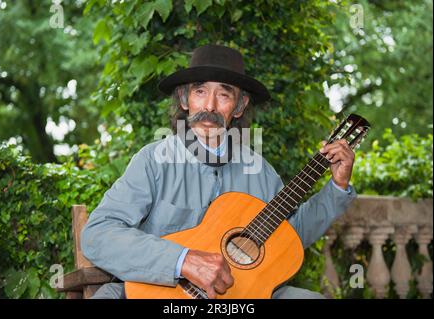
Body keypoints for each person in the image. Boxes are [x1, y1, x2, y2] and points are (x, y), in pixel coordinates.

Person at [81, 44, 357, 299]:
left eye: (224, 94)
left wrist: (337, 187)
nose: (210, 106)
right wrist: (182, 260)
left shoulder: (260, 171)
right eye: (200, 91)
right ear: (184, 99)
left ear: (239, 107)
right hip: (157, 292)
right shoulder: (153, 160)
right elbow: (99, 234)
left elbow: (289, 239)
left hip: (241, 296)